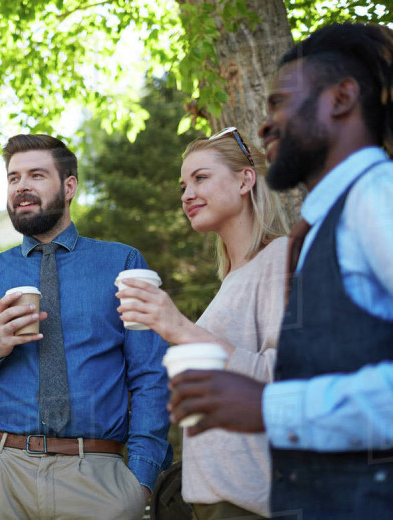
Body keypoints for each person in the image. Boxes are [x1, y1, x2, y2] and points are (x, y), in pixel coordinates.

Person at [168, 23, 393, 518]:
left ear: (341, 98)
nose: (264, 125)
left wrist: (270, 405)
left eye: (281, 102)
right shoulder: (322, 229)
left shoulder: (384, 193)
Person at [0, 134, 172, 520]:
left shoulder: (123, 263)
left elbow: (150, 375)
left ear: (69, 186)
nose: (22, 187)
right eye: (13, 178)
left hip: (97, 478)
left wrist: (141, 481)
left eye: (36, 175)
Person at [117, 127, 288, 518]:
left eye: (201, 178)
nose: (186, 194)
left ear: (245, 180)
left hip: (251, 500)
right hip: (211, 496)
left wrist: (179, 328)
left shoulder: (280, 258)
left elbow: (289, 379)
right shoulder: (232, 281)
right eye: (183, 185)